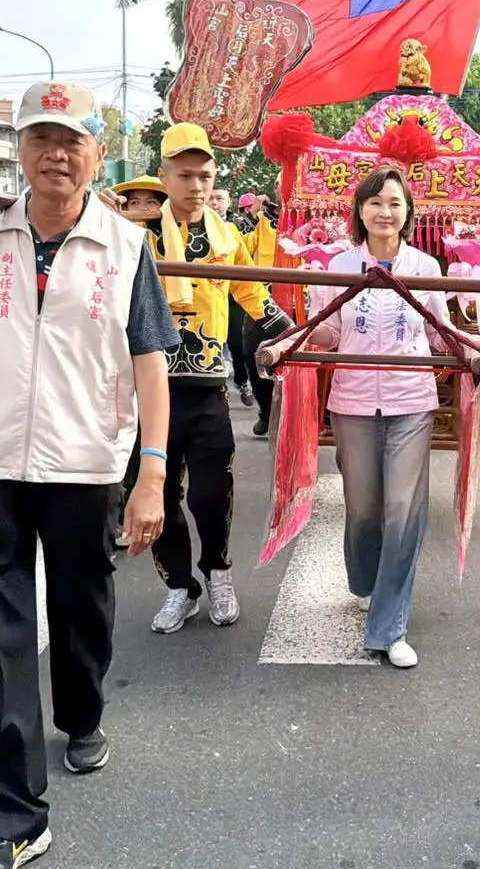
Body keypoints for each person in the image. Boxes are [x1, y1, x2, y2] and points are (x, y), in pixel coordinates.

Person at [0, 82, 177, 869]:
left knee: (81, 602)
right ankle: (11, 814)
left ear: (98, 154)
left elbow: (151, 364)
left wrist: (151, 473)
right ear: (18, 152)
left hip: (86, 461)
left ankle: (84, 710)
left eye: (72, 141)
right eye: (39, 139)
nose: (55, 155)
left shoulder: (127, 246)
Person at [258, 167, 449, 668]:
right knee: (363, 508)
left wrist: (476, 341)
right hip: (353, 402)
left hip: (412, 402)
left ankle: (388, 626)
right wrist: (288, 341)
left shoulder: (426, 267)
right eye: (375, 202)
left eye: (395, 203)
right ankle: (366, 579)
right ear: (360, 210)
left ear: (409, 213)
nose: (386, 212)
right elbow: (327, 334)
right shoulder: (339, 265)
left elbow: (437, 334)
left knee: (403, 510)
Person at [138, 122, 292, 633]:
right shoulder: (139, 232)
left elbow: (252, 294)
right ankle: (179, 586)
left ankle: (219, 570)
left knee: (211, 492)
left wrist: (291, 333)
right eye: (184, 175)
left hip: (206, 386)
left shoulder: (228, 238)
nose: (196, 186)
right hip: (150, 385)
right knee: (159, 497)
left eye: (204, 175)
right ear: (164, 176)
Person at [239, 192, 282, 437]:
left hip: (304, 300)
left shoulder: (315, 217)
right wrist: (252, 216)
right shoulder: (262, 219)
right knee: (254, 356)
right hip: (261, 300)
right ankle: (266, 411)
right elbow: (240, 250)